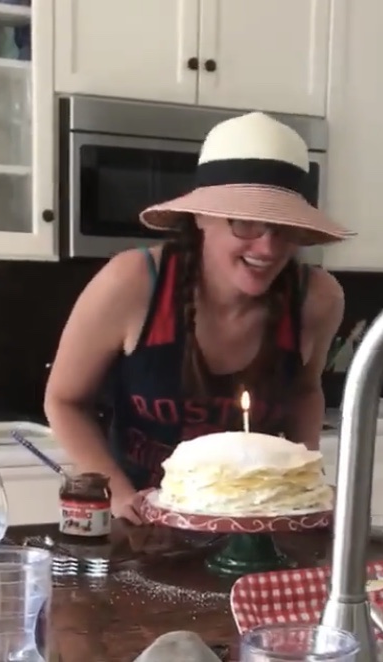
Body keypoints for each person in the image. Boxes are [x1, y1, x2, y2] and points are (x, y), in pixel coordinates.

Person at [44, 111, 352, 524]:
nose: (267, 248)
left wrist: (303, 488)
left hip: (257, 524)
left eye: (284, 227)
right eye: (245, 222)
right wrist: (119, 494)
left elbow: (304, 392)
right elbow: (64, 401)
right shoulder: (133, 282)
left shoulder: (317, 299)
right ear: (202, 217)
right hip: (141, 523)